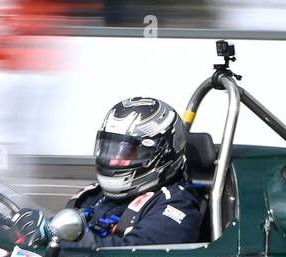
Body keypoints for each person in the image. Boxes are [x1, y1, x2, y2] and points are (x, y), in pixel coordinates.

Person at [65, 97, 205, 248]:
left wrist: (70, 243)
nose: (114, 161)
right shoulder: (92, 196)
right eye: (111, 149)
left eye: (128, 153)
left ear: (160, 154)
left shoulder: (176, 206)